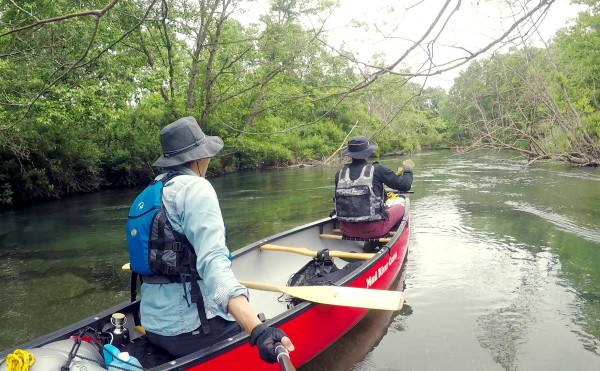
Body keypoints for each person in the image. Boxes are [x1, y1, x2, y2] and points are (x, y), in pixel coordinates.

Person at [133, 116, 294, 362]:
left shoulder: (149, 194)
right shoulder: (197, 188)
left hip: (153, 326)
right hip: (192, 331)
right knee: (260, 324)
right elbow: (213, 263)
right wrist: (258, 331)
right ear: (199, 158)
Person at [334, 135, 414, 240]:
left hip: (345, 229)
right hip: (374, 230)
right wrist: (408, 170)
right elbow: (405, 185)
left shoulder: (339, 174)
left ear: (350, 154)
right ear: (368, 152)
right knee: (401, 208)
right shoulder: (378, 169)